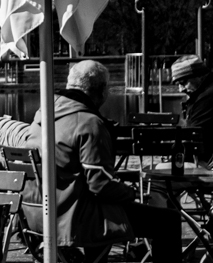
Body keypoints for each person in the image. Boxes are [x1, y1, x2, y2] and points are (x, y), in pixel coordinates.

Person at [29, 60, 180, 262]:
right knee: (168, 221)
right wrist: (131, 192)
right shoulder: (89, 123)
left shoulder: (42, 116)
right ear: (102, 91)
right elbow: (100, 186)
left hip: (39, 214)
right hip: (78, 216)